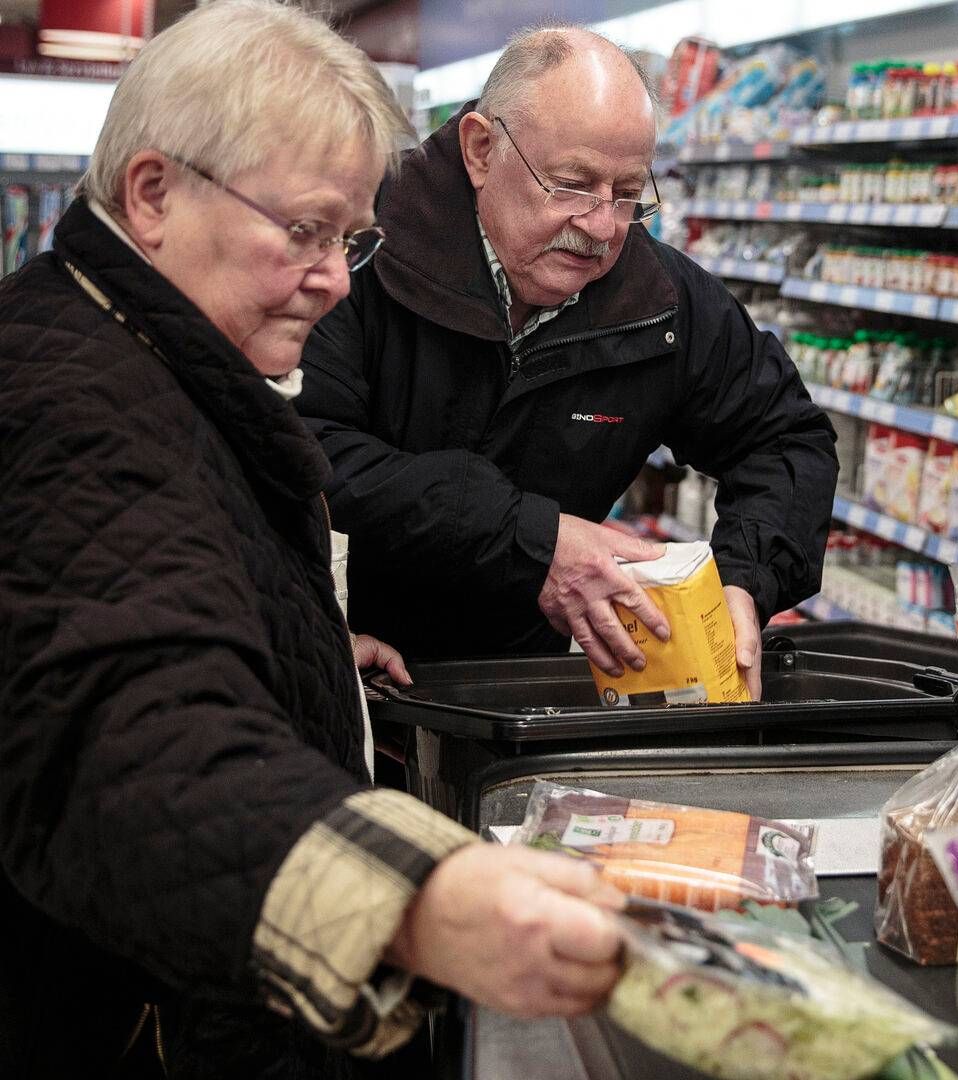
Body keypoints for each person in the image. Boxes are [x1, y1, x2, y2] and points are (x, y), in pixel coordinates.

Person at [0, 4, 624, 1078]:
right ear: (153, 194)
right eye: (303, 231)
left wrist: (305, 649)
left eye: (350, 239)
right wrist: (419, 904)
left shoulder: (148, 354)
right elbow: (133, 745)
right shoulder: (70, 401)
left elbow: (141, 590)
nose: (338, 279)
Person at [298, 26, 839, 697]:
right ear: (481, 150)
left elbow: (787, 440)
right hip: (338, 665)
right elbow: (305, 450)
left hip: (527, 688)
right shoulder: (355, 255)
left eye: (628, 191)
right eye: (572, 184)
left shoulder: (663, 302)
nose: (603, 224)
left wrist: (745, 579)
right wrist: (531, 539)